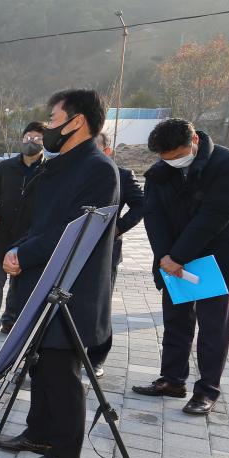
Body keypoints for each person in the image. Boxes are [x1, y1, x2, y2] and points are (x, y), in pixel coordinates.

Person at [0, 89, 120, 458]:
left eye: (52, 119)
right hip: (43, 281)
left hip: (72, 291)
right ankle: (39, 435)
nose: (47, 127)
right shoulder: (61, 165)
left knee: (61, 372)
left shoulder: (98, 170)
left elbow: (73, 232)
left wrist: (25, 254)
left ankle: (64, 456)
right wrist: (18, 248)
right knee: (40, 366)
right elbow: (38, 224)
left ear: (77, 121)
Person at [132, 118, 229, 415]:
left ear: (194, 141)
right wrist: (164, 257)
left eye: (177, 155)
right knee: (176, 321)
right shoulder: (160, 172)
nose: (172, 162)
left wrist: (177, 256)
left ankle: (207, 390)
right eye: (166, 158)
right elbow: (154, 214)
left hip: (217, 257)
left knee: (213, 327)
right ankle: (173, 380)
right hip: (174, 259)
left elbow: (213, 216)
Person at [0, 122, 46, 339]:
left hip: (28, 238)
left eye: (37, 138)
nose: (30, 142)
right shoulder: (6, 167)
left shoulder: (48, 170)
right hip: (1, 235)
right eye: (27, 137)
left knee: (18, 281)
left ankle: (10, 320)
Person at [85, 131, 145, 376]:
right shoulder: (72, 174)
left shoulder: (122, 175)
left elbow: (142, 204)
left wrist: (117, 228)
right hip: (70, 249)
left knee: (99, 306)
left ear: (107, 150)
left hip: (105, 252)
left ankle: (96, 358)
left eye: (93, 146)